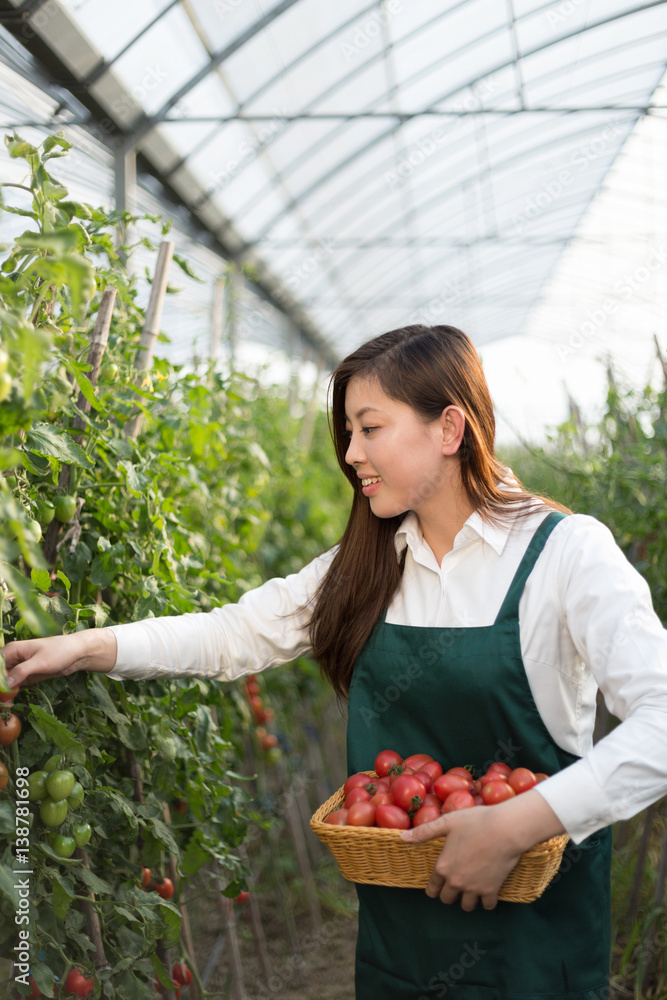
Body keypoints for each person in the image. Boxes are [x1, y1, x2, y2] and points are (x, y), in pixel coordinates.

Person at [5, 324, 667, 999]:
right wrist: (90, 645)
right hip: (399, 948)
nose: (350, 454)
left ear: (449, 428)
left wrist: (516, 822)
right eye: (347, 432)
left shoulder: (564, 555)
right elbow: (234, 633)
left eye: (368, 428)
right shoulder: (370, 564)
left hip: (534, 951)